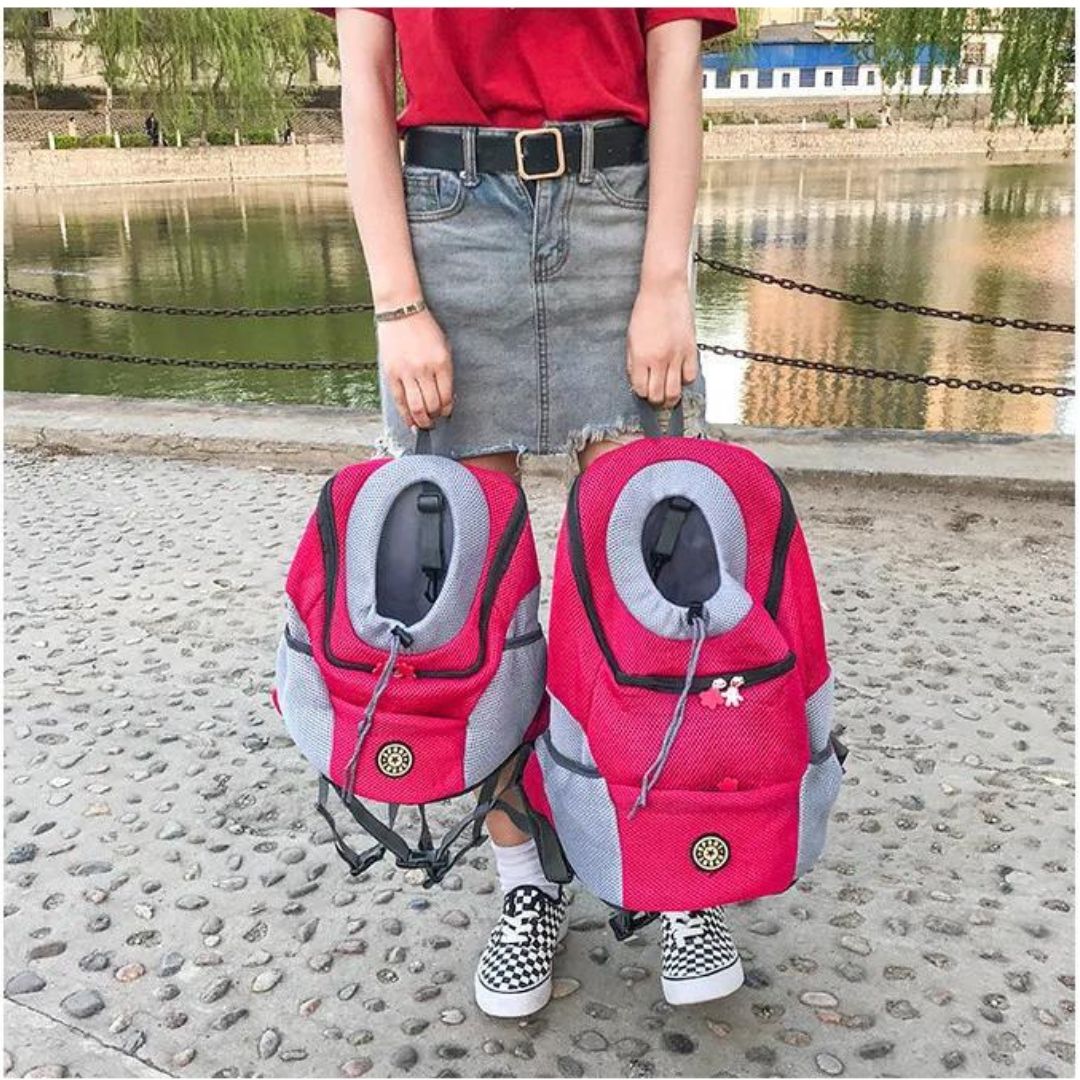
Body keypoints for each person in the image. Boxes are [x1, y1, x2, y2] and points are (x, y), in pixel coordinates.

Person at [319, 6, 741, 1017]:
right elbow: (364, 81)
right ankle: (526, 883)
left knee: (660, 589)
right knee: (473, 611)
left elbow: (674, 59)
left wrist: (665, 279)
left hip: (616, 213)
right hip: (447, 226)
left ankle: (673, 864)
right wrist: (396, 303)